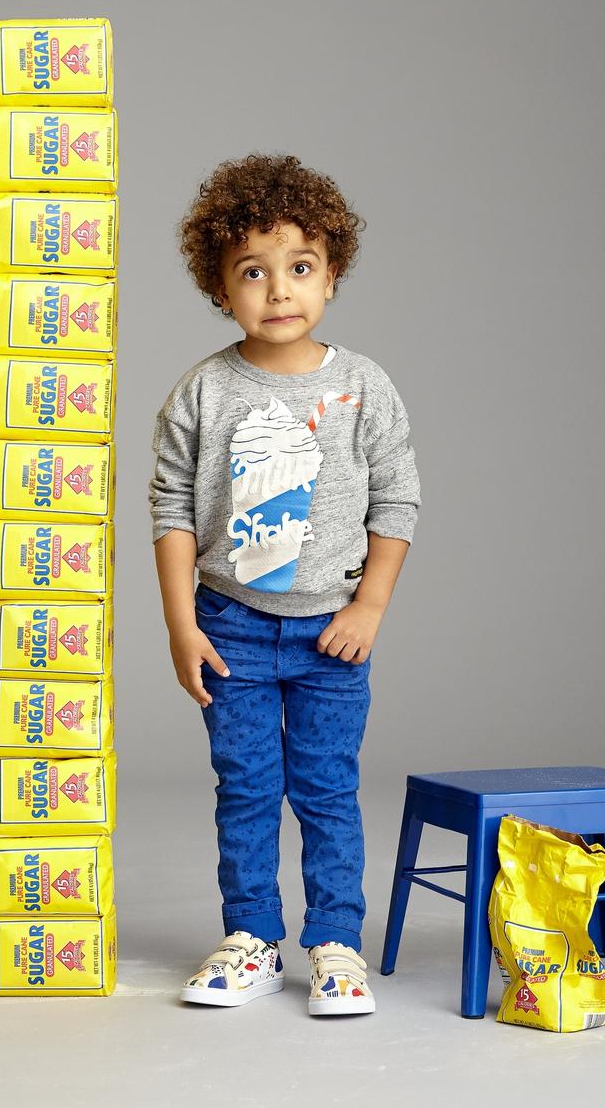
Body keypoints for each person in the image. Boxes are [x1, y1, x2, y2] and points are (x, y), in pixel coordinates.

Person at [149, 153, 421, 1015]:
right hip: (230, 625)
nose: (278, 290)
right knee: (248, 789)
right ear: (219, 288)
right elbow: (171, 512)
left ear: (331, 275)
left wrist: (370, 605)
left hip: (329, 633)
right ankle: (252, 940)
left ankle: (337, 944)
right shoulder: (203, 391)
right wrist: (182, 627)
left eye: (298, 268)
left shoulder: (364, 386)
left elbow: (397, 500)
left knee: (328, 789)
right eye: (252, 272)